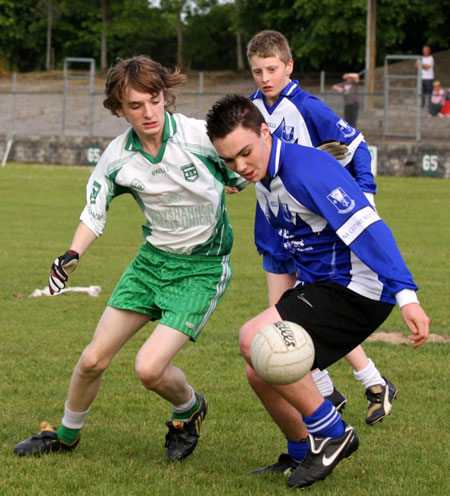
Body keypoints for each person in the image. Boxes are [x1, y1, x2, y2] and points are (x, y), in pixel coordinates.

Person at [14, 56, 246, 460]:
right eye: (135, 106)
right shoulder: (118, 156)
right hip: (150, 264)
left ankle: (188, 409)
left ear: (165, 96)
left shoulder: (198, 137)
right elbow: (94, 210)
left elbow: (251, 164)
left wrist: (242, 177)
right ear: (119, 109)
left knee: (149, 369)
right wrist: (71, 254)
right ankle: (66, 436)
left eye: (154, 100)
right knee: (91, 360)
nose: (148, 112)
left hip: (201, 270)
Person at [205, 94, 430, 489]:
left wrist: (406, 295)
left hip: (358, 290)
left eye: (244, 153)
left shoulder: (307, 168)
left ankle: (333, 433)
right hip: (322, 288)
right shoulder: (264, 178)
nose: (240, 166)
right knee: (259, 366)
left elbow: (369, 228)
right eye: (229, 161)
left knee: (252, 336)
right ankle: (301, 452)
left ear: (265, 131)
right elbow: (280, 251)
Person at [246, 29, 396, 425]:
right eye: (258, 70)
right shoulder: (250, 110)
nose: (265, 77)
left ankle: (353, 389)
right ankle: (346, 389)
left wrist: (366, 192)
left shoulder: (308, 108)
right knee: (290, 317)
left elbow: (357, 145)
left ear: (289, 66)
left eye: (272, 68)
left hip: (312, 229)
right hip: (272, 226)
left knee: (295, 316)